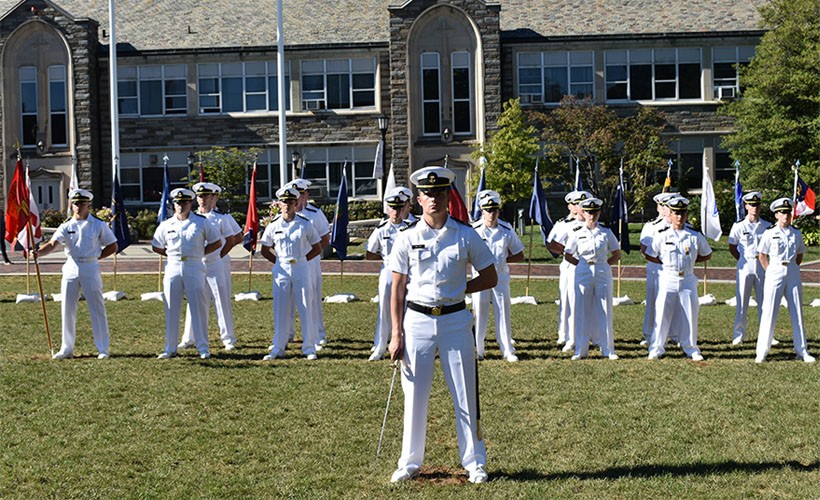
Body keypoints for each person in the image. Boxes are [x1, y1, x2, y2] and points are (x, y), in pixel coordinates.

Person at [388, 166, 497, 484]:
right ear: (418, 199)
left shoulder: (465, 234)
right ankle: (410, 462)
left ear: (448, 196)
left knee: (465, 393)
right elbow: (397, 288)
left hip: (455, 321)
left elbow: (490, 275)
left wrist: (462, 289)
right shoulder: (407, 238)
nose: (433, 199)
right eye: (427, 193)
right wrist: (396, 334)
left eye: (439, 193)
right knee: (415, 395)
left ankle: (475, 461)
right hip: (417, 321)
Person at [36, 189, 117, 359]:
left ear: (88, 204)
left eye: (82, 203)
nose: (78, 207)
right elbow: (53, 243)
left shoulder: (98, 224)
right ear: (71, 205)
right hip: (71, 266)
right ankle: (67, 348)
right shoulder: (67, 225)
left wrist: (97, 256)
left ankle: (103, 348)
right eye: (75, 203)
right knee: (67, 307)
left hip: (90, 266)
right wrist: (38, 253)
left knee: (96, 307)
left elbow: (112, 245)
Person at [152, 188, 221, 359]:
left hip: (194, 265)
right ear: (173, 204)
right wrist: (170, 255)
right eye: (178, 203)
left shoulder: (202, 222)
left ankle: (203, 347)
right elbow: (156, 245)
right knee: (171, 307)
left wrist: (200, 253)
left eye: (184, 202)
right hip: (173, 266)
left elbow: (216, 242)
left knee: (198, 308)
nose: (181, 206)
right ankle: (170, 348)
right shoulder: (166, 224)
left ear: (190, 203)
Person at [259, 186, 323, 360]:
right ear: (279, 204)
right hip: (282, 269)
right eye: (284, 202)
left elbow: (317, 247)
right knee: (280, 308)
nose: (287, 205)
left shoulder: (304, 224)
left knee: (305, 306)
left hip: (301, 267)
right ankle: (278, 347)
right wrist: (278, 263)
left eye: (291, 202)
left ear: (296, 203)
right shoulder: (273, 226)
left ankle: (309, 347)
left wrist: (303, 259)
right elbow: (265, 249)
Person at [645, 196, 711, 361]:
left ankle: (690, 347)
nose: (679, 217)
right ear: (670, 215)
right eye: (676, 213)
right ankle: (656, 348)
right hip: (668, 277)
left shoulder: (694, 235)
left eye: (682, 213)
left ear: (686, 215)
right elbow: (650, 254)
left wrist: (693, 262)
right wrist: (666, 264)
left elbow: (707, 254)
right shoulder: (662, 235)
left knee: (690, 314)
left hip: (687, 278)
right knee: (662, 314)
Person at [179, 182, 243, 351]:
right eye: (200, 196)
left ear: (214, 197)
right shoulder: (191, 217)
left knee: (221, 301)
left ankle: (228, 338)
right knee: (194, 301)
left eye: (206, 196)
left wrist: (220, 256)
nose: (203, 200)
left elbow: (234, 238)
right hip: (196, 264)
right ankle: (189, 337)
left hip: (215, 264)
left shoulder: (221, 218)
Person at [755, 198, 815, 363]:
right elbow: (762, 255)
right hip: (775, 270)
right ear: (776, 214)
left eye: (788, 212)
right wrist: (770, 270)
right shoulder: (769, 233)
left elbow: (800, 253)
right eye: (782, 212)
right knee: (769, 311)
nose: (786, 215)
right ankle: (762, 351)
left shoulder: (796, 233)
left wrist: (793, 267)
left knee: (797, 311)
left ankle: (802, 350)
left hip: (792, 272)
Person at [563, 197, 621, 360]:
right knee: (581, 309)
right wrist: (581, 264)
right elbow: (568, 254)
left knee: (605, 309)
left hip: (602, 269)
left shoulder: (606, 232)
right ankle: (581, 350)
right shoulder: (576, 232)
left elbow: (617, 253)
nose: (592, 215)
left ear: (599, 213)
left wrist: (604, 265)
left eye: (595, 212)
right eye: (588, 212)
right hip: (583, 270)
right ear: (583, 212)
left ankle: (608, 349)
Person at [471, 189, 524, 362]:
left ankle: (507, 349)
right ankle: (479, 349)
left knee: (503, 312)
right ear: (481, 210)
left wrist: (502, 260)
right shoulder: (474, 230)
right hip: (480, 278)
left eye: (494, 210)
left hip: (500, 277)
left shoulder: (506, 229)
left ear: (499, 211)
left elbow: (520, 254)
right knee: (479, 313)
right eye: (487, 210)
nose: (491, 214)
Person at [365, 188, 411, 361]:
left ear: (406, 207)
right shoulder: (382, 229)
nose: (395, 212)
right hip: (389, 270)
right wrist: (386, 258)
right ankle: (379, 346)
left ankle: (405, 342)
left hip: (409, 272)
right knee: (384, 309)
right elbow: (370, 253)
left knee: (408, 308)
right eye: (392, 208)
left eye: (399, 208)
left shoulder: (413, 226)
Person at [288, 178, 331, 349]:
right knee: (287, 299)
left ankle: (318, 334)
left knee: (312, 299)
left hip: (310, 262)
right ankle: (287, 334)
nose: (297, 198)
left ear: (306, 195)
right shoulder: (282, 214)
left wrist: (308, 255)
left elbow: (325, 238)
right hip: (289, 263)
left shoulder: (314, 213)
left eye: (300, 194)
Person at [546, 190, 590, 351]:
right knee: (569, 301)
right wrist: (567, 251)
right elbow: (551, 243)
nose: (582, 207)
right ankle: (567, 335)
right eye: (578, 204)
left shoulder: (592, 223)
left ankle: (589, 333)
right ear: (571, 206)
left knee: (588, 301)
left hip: (589, 267)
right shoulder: (565, 224)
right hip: (571, 266)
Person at [728, 192, 770, 345]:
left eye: (757, 205)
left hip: (761, 266)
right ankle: (738, 334)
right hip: (745, 265)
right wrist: (741, 260)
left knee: (764, 302)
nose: (754, 208)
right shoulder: (739, 225)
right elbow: (732, 246)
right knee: (742, 301)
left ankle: (766, 334)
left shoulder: (766, 226)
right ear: (746, 206)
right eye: (751, 205)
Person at [639, 192, 673, 346]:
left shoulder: (682, 226)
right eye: (663, 206)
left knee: (675, 303)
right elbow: (644, 249)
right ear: (659, 208)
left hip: (674, 270)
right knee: (653, 300)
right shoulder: (651, 226)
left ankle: (676, 335)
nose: (666, 209)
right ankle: (649, 333)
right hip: (656, 268)